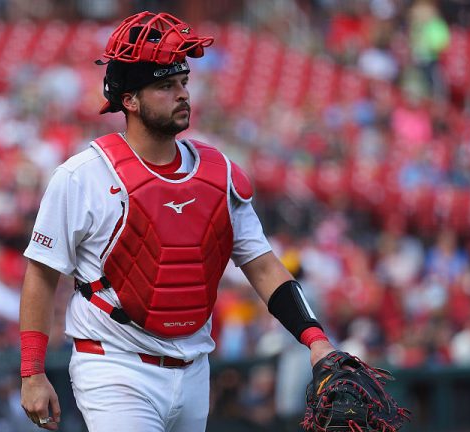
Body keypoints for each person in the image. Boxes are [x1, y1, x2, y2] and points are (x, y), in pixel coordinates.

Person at [18, 11, 337, 431]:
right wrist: (32, 373)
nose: (182, 94)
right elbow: (41, 275)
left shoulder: (217, 172)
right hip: (115, 367)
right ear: (129, 100)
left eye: (183, 82)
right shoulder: (81, 176)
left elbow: (261, 265)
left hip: (194, 369)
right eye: (166, 86)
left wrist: (316, 340)